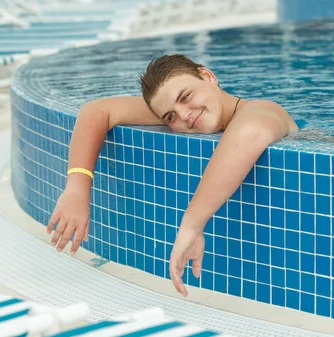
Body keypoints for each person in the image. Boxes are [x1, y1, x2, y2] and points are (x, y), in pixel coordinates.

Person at [46, 54, 299, 297]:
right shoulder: (188, 111)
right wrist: (77, 188)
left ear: (208, 77)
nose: (185, 115)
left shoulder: (263, 109)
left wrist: (191, 226)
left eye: (186, 96)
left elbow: (250, 133)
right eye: (170, 116)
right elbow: (97, 110)